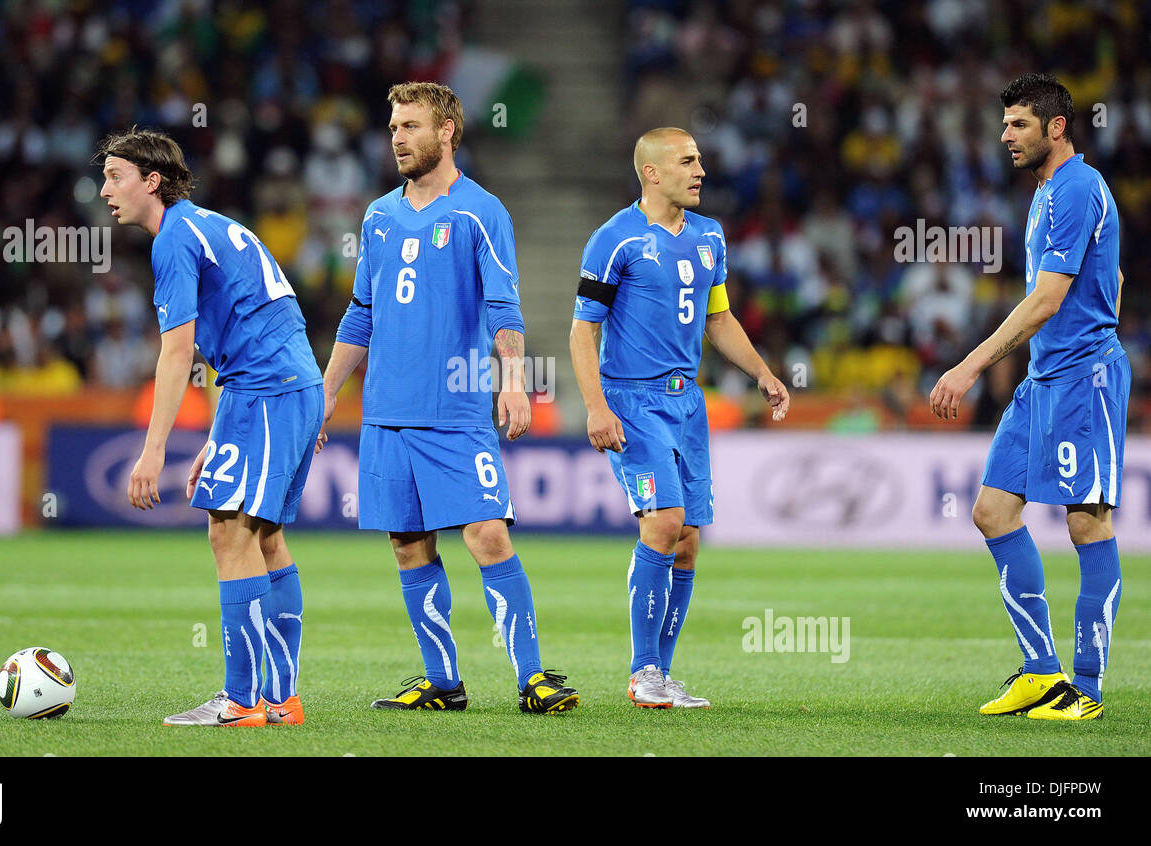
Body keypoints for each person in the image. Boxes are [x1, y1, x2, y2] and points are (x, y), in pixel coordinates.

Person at [317, 82, 578, 714]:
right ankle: (443, 680)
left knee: (487, 533)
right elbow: (361, 314)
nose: (397, 137)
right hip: (386, 415)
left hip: (455, 412)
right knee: (408, 545)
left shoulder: (480, 212)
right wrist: (324, 398)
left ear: (447, 131)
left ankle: (533, 678)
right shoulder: (378, 215)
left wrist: (512, 381)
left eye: (410, 126)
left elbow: (503, 307)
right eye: (394, 126)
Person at [97, 127, 323, 727]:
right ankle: (282, 700)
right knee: (264, 536)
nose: (104, 190)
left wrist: (152, 452)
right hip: (281, 387)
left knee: (230, 534)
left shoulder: (174, 240)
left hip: (269, 392)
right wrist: (230, 432)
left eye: (115, 177)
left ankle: (243, 700)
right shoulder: (215, 226)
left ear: (152, 181)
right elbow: (263, 321)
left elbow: (178, 354)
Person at [569, 127, 790, 709]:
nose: (700, 171)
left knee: (688, 542)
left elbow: (718, 319)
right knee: (664, 524)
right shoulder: (614, 240)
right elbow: (583, 330)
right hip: (632, 403)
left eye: (701, 161)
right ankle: (643, 671)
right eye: (687, 161)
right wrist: (596, 405)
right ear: (652, 172)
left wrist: (762, 373)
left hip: (686, 403)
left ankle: (660, 676)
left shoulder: (710, 237)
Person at [930, 73, 1126, 721]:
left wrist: (968, 366)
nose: (1005, 135)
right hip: (1044, 379)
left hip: (1083, 381)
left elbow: (1046, 299)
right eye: (1005, 122)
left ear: (1057, 127)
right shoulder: (1046, 192)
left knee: (1085, 522)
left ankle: (1088, 691)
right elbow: (1113, 273)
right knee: (991, 511)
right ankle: (1042, 673)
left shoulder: (1075, 189)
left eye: (1019, 124)